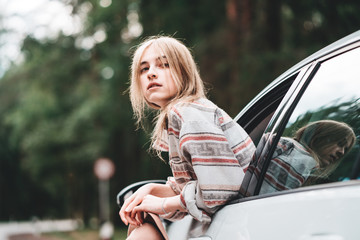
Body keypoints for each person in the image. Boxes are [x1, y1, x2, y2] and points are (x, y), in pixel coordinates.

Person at [119, 36, 256, 239]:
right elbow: (198, 186)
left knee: (144, 224)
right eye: (144, 69)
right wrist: (150, 190)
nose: (151, 74)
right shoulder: (181, 114)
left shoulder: (190, 115)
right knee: (144, 218)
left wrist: (162, 203)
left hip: (245, 226)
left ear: (184, 71)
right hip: (239, 225)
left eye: (164, 65)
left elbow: (220, 191)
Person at [259, 120, 356, 194]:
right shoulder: (302, 161)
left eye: (345, 149)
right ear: (321, 137)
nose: (342, 152)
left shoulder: (286, 145)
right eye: (340, 143)